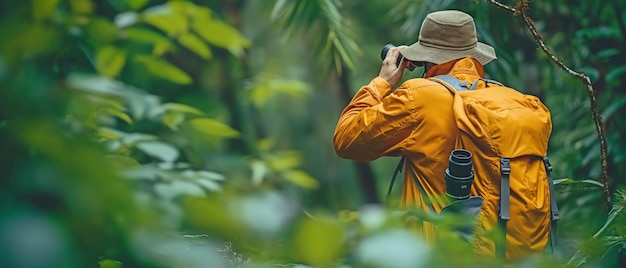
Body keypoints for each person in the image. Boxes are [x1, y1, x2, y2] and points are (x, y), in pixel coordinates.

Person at [332, 10, 553, 259]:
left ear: (428, 58)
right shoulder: (514, 101)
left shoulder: (419, 97)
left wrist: (381, 82)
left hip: (436, 256)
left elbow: (346, 139)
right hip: (504, 257)